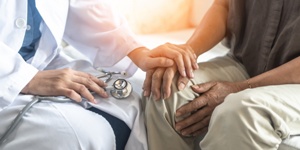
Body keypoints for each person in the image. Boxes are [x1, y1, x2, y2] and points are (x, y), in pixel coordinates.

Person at [0, 0, 197, 150]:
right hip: (7, 75)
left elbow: (84, 5)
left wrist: (137, 52)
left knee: (139, 99)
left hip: (44, 62)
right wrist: (26, 78)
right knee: (74, 135)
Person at [142, 0, 300, 149]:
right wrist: (186, 55)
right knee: (166, 86)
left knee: (242, 111)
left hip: (294, 83)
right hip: (246, 61)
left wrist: (239, 88)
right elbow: (223, 6)